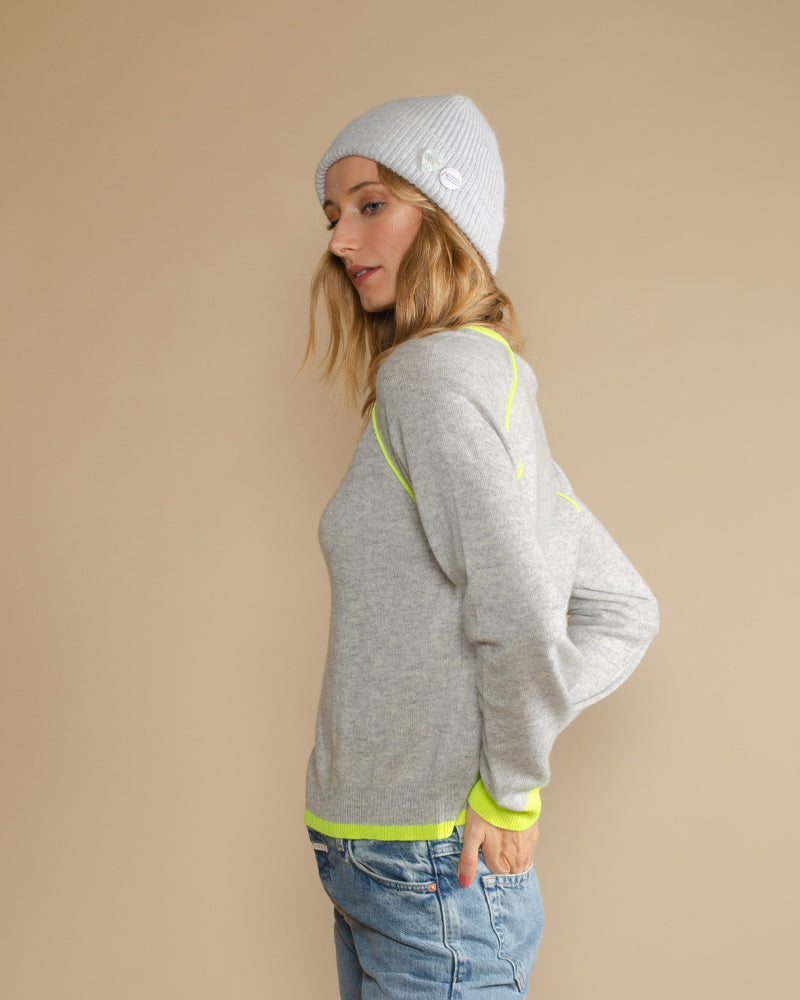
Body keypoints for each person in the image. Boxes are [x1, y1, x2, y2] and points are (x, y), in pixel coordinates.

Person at [303, 94, 659, 999]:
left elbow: (522, 610)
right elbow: (617, 607)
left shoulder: (431, 380)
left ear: (447, 219)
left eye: (372, 205)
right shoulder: (477, 384)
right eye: (334, 214)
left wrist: (508, 784)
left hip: (425, 870)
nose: (341, 240)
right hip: (385, 857)